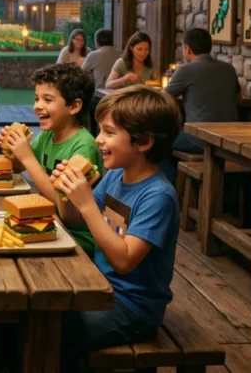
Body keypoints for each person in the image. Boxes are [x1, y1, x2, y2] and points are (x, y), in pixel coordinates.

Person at [51, 86, 181, 369]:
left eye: (109, 133)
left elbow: (123, 260)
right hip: (99, 287)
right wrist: (67, 192)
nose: (98, 140)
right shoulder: (114, 177)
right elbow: (74, 220)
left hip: (133, 307)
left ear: (144, 141)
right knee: (38, 311)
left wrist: (85, 201)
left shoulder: (158, 196)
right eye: (100, 131)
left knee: (54, 334)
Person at [0, 63, 102, 254]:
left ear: (74, 106)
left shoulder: (83, 147)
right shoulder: (48, 134)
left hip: (76, 238)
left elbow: (63, 207)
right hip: (47, 223)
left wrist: (27, 156)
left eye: (48, 99)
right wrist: (11, 149)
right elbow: (17, 167)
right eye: (37, 98)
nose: (38, 106)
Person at [165, 28, 240, 154]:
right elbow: (239, 98)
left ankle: (169, 174)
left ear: (187, 49)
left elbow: (163, 99)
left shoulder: (186, 70)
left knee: (159, 141)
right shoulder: (229, 69)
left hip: (199, 140)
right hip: (230, 138)